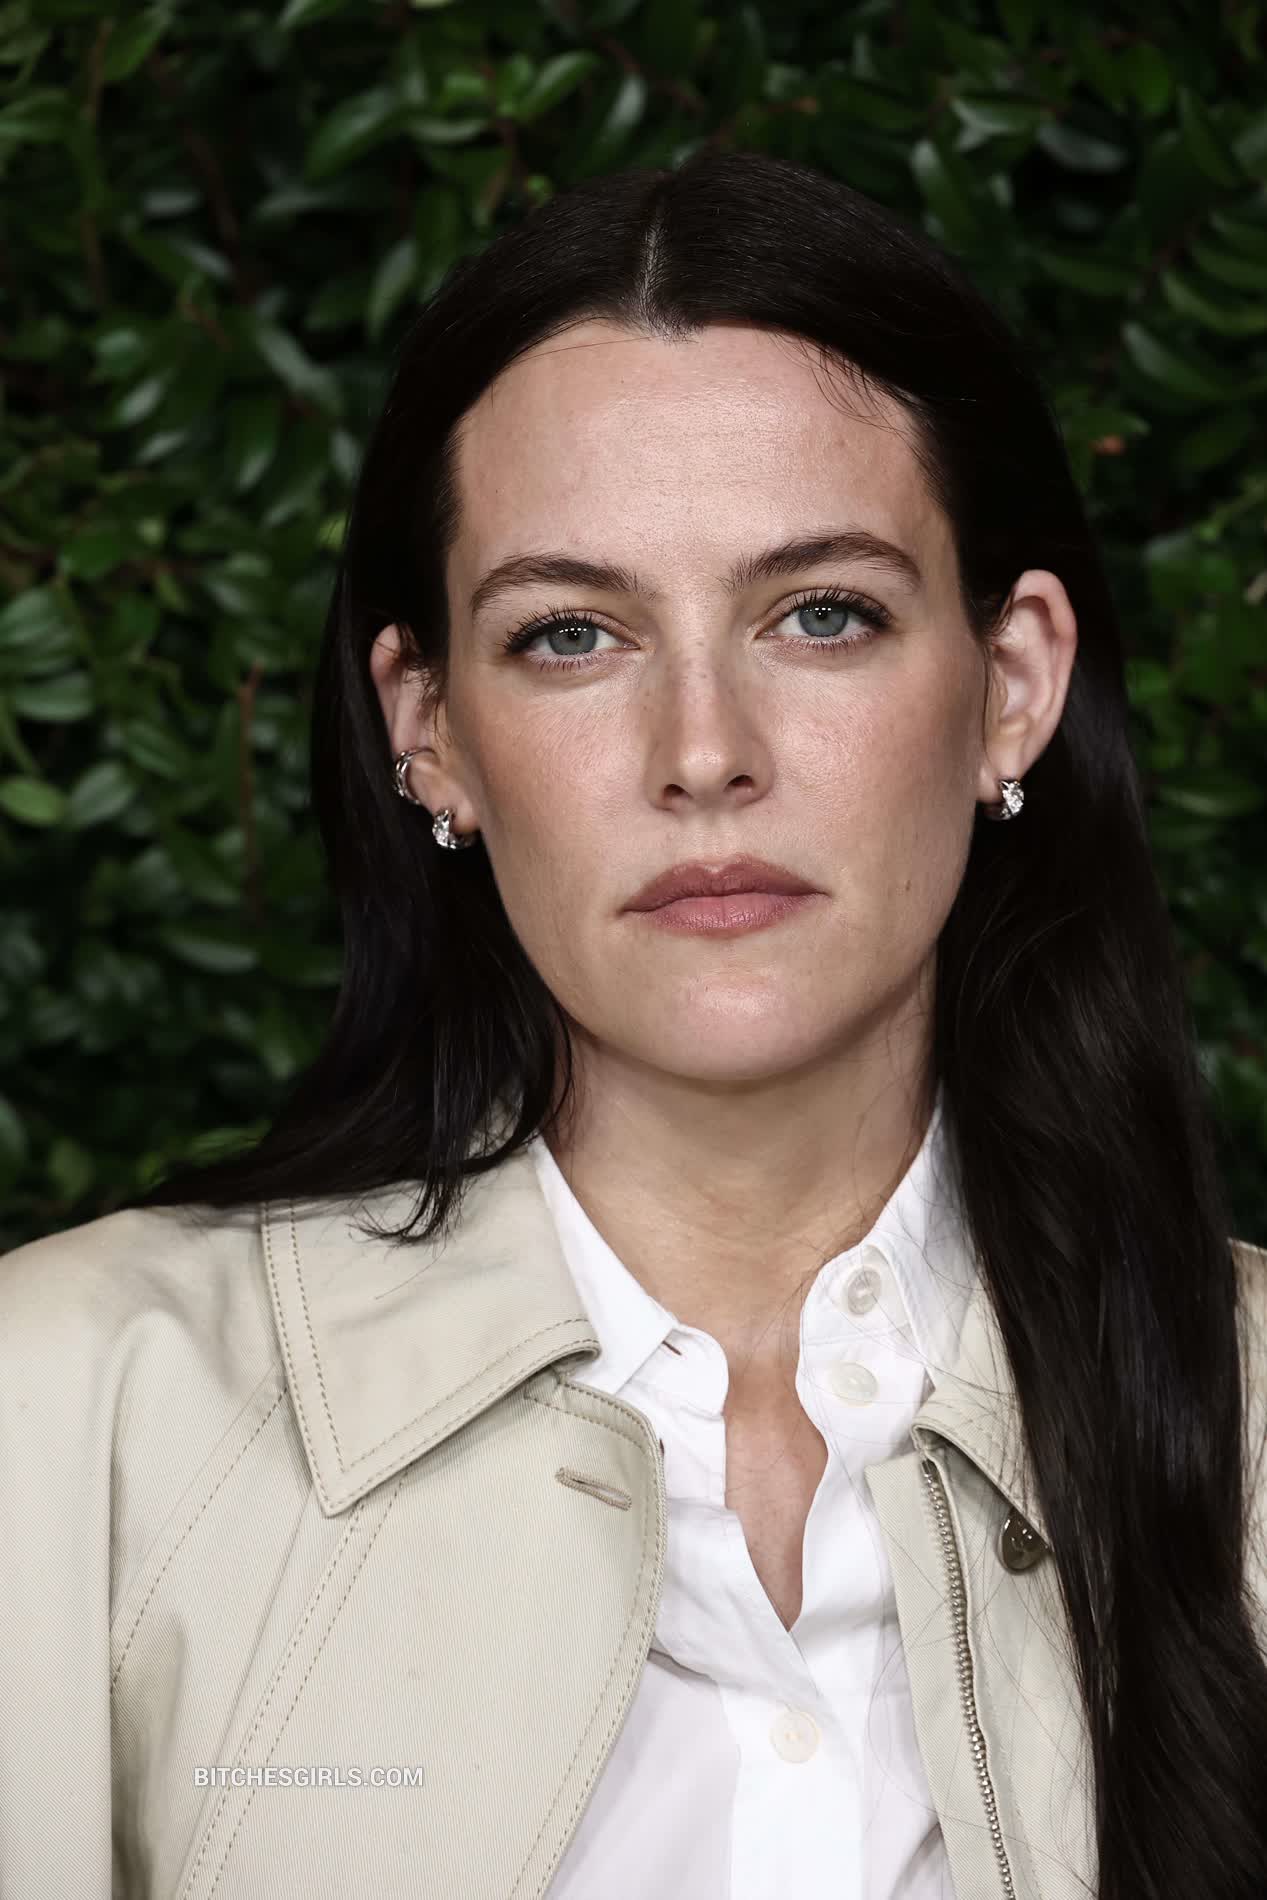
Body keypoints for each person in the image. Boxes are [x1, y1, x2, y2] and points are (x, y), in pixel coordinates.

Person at [2, 148, 1265, 1900]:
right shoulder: (68, 1411)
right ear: (429, 729)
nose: (704, 751)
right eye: (572, 635)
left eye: (822, 615)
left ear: (1013, 683)